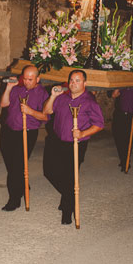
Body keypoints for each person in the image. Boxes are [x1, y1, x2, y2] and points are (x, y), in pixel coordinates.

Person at [42, 70, 105, 225]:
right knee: (49, 171)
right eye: (71, 80)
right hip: (56, 140)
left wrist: (83, 133)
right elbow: (47, 111)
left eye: (77, 80)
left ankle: (67, 210)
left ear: (85, 83)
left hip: (76, 144)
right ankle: (69, 196)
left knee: (69, 177)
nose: (73, 83)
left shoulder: (90, 101)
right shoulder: (62, 96)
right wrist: (52, 96)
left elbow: (99, 124)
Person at [0, 65, 49, 211]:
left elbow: (45, 116)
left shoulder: (42, 93)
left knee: (16, 165)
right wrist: (8, 88)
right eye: (25, 78)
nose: (26, 82)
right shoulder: (17, 88)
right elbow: (3, 104)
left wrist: (31, 111)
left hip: (27, 131)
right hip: (9, 129)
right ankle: (22, 181)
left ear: (37, 79)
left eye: (30, 79)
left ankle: (14, 199)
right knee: (9, 158)